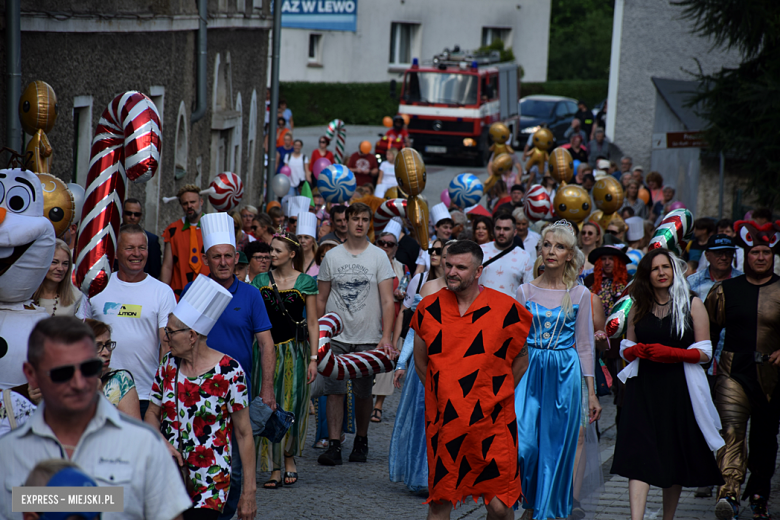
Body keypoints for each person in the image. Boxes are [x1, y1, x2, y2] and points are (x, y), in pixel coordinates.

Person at [0, 316, 191, 520]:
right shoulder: (8, 453)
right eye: (63, 372)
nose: (79, 383)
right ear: (31, 374)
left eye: (89, 369)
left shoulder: (143, 445)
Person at [411, 240, 532, 520]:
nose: (451, 272)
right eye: (448, 265)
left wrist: (490, 396)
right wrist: (446, 394)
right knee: (440, 502)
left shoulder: (507, 310)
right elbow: (421, 363)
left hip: (493, 423)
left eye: (460, 267)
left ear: (478, 271)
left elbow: (521, 361)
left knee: (500, 507)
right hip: (445, 423)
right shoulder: (428, 308)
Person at [612, 248, 724, 520]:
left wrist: (673, 353)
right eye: (655, 268)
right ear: (647, 275)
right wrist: (633, 352)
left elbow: (706, 351)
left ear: (674, 271)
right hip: (643, 388)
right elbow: (626, 345)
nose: (661, 273)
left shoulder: (692, 304)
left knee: (671, 453)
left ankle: (667, 518)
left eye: (666, 267)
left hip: (679, 388)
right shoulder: (638, 304)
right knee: (638, 453)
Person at [179, 212, 275, 520]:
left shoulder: (251, 295)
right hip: (194, 395)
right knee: (195, 466)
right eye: (216, 256)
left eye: (228, 256)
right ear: (206, 259)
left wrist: (268, 387)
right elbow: (176, 337)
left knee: (233, 469)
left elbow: (266, 344)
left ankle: (225, 511)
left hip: (236, 395)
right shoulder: (194, 291)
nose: (222, 262)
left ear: (236, 258)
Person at [145, 275, 256, 520]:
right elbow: (152, 413)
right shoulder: (168, 364)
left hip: (211, 481)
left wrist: (249, 491)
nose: (166, 337)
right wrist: (161, 442)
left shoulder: (230, 371)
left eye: (171, 332)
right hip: (169, 478)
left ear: (192, 336)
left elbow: (244, 432)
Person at [514, 221, 600, 520]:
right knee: (524, 445)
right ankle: (529, 500)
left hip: (565, 373)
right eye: (547, 245)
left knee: (555, 447)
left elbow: (586, 345)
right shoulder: (524, 291)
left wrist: (591, 392)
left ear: (569, 255)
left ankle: (543, 510)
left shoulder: (579, 295)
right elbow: (514, 341)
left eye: (559, 246)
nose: (551, 251)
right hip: (529, 370)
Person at [705, 220, 780, 520]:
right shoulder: (724, 290)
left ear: (773, 255)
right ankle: (729, 494)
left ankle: (759, 495)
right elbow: (706, 333)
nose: (760, 257)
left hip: (772, 378)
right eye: (754, 252)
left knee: (765, 439)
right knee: (731, 433)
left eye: (765, 252)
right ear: (744, 256)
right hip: (732, 372)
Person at [315, 202, 396, 466]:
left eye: (364, 219)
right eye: (355, 219)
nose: (359, 223)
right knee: (334, 390)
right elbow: (321, 299)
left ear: (369, 223)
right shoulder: (332, 256)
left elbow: (387, 300)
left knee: (363, 393)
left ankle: (361, 439)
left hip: (368, 336)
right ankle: (335, 444)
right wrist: (318, 333)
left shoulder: (378, 257)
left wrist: (386, 337)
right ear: (345, 222)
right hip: (336, 338)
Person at [86, 224, 176, 419]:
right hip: (99, 390)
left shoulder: (162, 292)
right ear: (116, 253)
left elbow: (167, 345)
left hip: (146, 393)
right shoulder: (97, 288)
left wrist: (163, 391)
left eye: (142, 248)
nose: (137, 253)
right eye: (130, 248)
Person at [252, 231, 319, 489]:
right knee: (267, 404)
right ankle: (274, 467)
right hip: (264, 351)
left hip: (294, 351)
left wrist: (313, 358)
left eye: (277, 251)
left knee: (291, 405)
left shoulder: (305, 282)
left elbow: (313, 322)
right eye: (271, 250)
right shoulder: (259, 281)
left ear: (292, 254)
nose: (271, 254)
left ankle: (288, 457)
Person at [371, 220, 407, 423]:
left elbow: (408, 295)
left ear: (396, 248)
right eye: (381, 243)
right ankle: (365, 400)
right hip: (371, 318)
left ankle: (378, 405)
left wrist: (400, 295)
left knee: (387, 362)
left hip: (392, 319)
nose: (385, 247)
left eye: (389, 244)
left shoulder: (403, 268)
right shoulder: (370, 264)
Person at [84, 318, 142, 420]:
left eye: (108, 344)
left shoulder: (120, 381)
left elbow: (135, 433)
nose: (106, 352)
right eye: (98, 346)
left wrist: (100, 398)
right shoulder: (65, 382)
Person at [162, 184, 210, 299]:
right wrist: (162, 294)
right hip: (179, 294)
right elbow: (167, 266)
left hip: (208, 293)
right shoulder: (173, 229)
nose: (189, 206)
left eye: (193, 202)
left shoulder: (212, 226)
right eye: (185, 203)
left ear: (201, 201)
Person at [479, 213, 533, 297]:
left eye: (506, 229)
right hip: (481, 306)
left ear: (515, 232)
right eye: (498, 228)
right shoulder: (480, 250)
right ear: (494, 230)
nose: (501, 232)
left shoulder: (525, 257)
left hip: (510, 308)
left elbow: (529, 291)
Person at [31, 239, 88, 318]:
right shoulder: (25, 296)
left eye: (65, 263)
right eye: (54, 262)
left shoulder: (77, 296)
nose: (60, 268)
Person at [124, 197, 163, 279]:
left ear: (141, 216)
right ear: (122, 213)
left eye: (136, 214)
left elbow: (154, 272)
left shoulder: (151, 240)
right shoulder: (111, 237)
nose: (132, 217)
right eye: (128, 213)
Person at [296, 212, 320, 276]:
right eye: (299, 237)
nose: (302, 241)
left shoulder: (320, 262)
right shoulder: (291, 261)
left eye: (307, 238)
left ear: (313, 242)